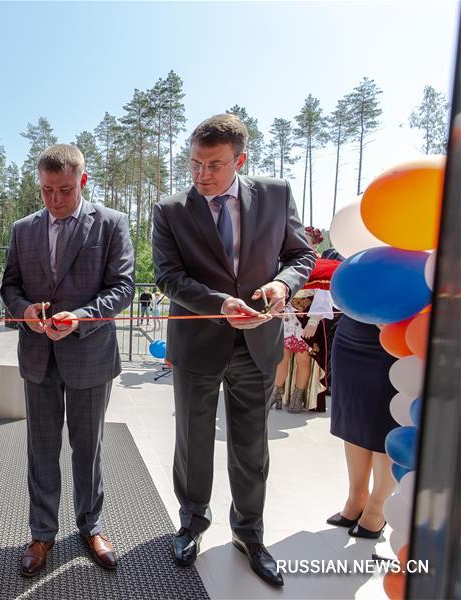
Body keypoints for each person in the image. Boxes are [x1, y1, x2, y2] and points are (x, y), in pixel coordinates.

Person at [152, 114, 315, 588]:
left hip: (257, 345)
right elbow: (167, 276)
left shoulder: (277, 194)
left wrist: (283, 287)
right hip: (198, 343)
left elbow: (300, 256)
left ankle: (249, 533)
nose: (201, 175)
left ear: (241, 160)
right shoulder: (169, 209)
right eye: (195, 163)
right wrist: (219, 303)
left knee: (251, 446)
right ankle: (192, 523)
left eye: (214, 165)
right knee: (193, 441)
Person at [1, 144, 134, 578]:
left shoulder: (112, 224)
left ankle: (90, 526)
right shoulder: (23, 229)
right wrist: (25, 312)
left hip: (90, 354)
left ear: (83, 180)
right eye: (46, 191)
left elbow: (122, 288)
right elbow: (12, 285)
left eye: (64, 190)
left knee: (88, 448)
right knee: (41, 449)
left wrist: (78, 317)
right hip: (38, 356)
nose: (55, 200)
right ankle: (42, 533)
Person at [327, 315, 399, 539]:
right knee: (352, 419)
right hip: (351, 330)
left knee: (383, 424)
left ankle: (377, 508)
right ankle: (356, 498)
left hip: (396, 332)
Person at [271, 227, 338, 413]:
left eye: (305, 238)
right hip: (287, 317)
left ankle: (298, 397)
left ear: (314, 242)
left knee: (303, 359)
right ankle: (276, 393)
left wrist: (313, 322)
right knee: (281, 358)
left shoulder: (320, 264)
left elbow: (323, 296)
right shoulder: (284, 261)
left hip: (307, 318)